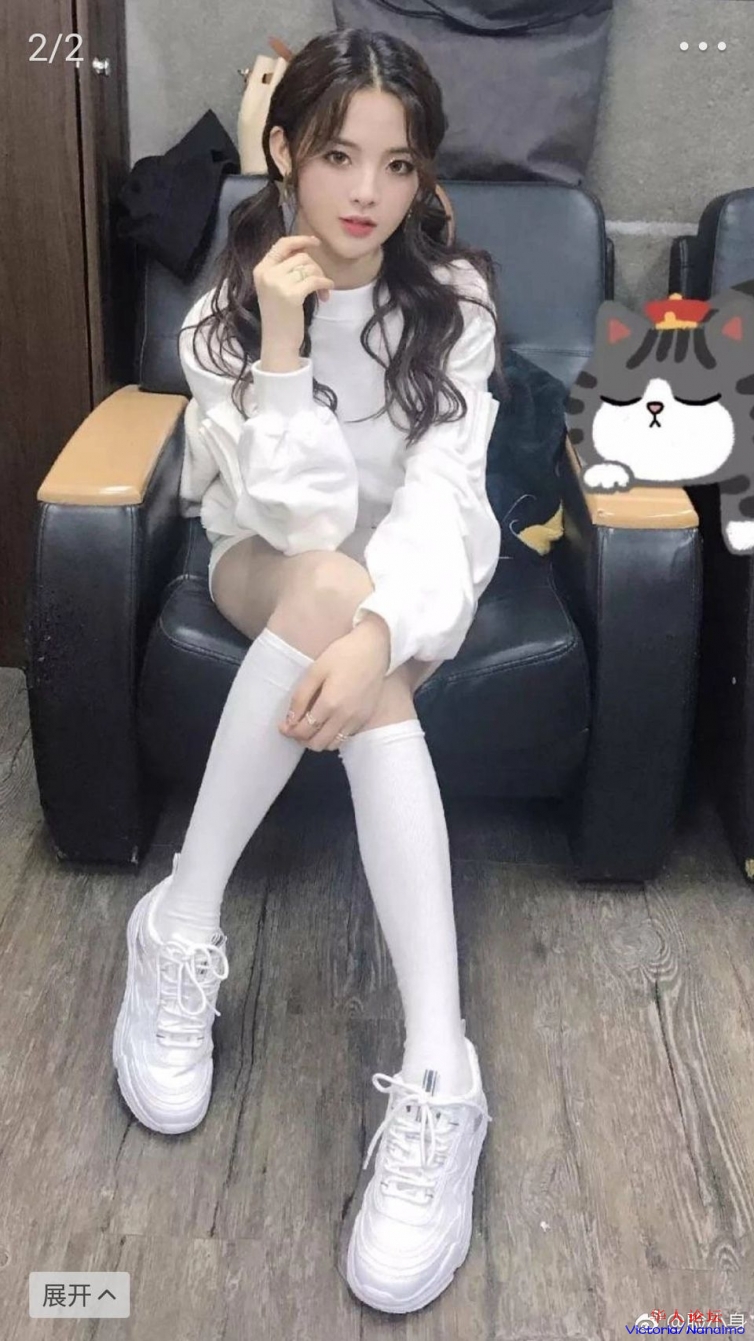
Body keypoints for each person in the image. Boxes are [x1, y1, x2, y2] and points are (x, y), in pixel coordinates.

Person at [113, 26, 505, 1315]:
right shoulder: (228, 313)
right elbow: (302, 525)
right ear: (282, 153)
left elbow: (445, 503)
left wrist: (381, 635)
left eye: (397, 164)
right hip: (265, 558)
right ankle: (440, 1064)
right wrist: (284, 345)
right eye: (338, 156)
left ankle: (190, 917)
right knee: (325, 577)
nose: (367, 193)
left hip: (411, 582)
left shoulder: (457, 303)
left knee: (354, 601)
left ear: (422, 173)